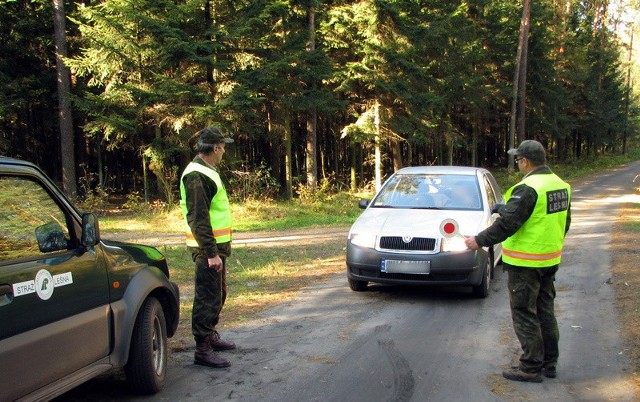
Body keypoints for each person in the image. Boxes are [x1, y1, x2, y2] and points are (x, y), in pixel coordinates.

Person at [465, 140, 571, 383]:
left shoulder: (528, 188)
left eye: (518, 160)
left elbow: (507, 225)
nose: (518, 164)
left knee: (524, 312)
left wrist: (478, 240)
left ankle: (530, 367)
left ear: (525, 161)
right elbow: (563, 222)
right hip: (549, 259)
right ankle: (549, 363)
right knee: (545, 310)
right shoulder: (561, 185)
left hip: (526, 263)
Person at [180, 126, 236, 368]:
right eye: (223, 147)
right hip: (207, 250)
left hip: (216, 247)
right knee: (207, 296)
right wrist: (211, 252)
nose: (224, 151)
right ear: (215, 148)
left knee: (218, 294)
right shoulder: (196, 175)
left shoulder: (207, 171)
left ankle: (209, 335)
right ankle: (202, 349)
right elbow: (198, 218)